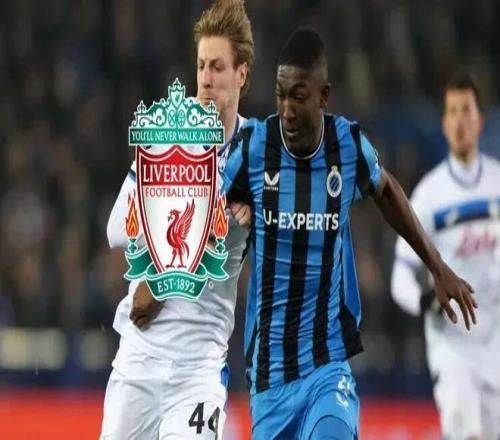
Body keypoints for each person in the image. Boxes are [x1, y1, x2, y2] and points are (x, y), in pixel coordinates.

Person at [222, 29, 477, 440]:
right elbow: (207, 210)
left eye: (298, 96)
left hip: (327, 367)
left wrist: (437, 265)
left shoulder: (347, 144)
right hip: (269, 379)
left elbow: (386, 190)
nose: (287, 110)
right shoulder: (254, 147)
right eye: (280, 95)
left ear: (323, 96)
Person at [100, 1, 253, 438]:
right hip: (140, 356)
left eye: (217, 67)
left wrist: (257, 217)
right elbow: (116, 229)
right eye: (201, 66)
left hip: (198, 370)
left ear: (241, 74)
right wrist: (202, 221)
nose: (205, 79)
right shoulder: (169, 136)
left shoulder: (256, 154)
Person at [391, 75, 500, 440]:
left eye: (466, 110)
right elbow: (400, 276)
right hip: (453, 346)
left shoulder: (497, 184)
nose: (459, 120)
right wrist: (426, 300)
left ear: (480, 121)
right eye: (452, 112)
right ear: (444, 124)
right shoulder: (428, 197)